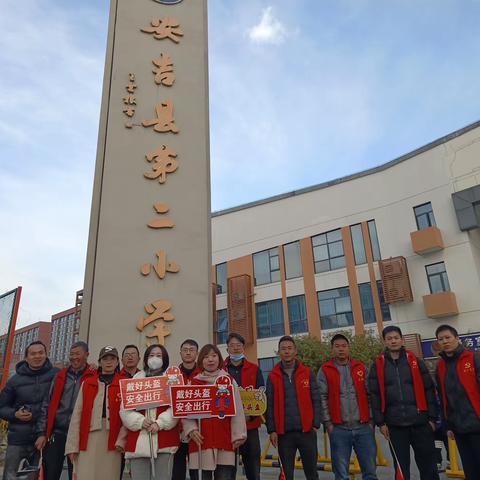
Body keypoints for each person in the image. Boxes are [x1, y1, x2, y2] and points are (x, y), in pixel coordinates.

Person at [369, 326, 438, 480]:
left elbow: (429, 390)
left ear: (402, 339)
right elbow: (374, 395)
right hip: (395, 425)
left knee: (428, 466)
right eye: (389, 338)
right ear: (384, 342)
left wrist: (432, 419)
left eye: (396, 337)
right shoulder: (378, 365)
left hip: (420, 422)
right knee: (401, 468)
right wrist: (381, 423)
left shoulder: (415, 361)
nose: (393, 341)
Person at [182, 343, 247, 480]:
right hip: (200, 440)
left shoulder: (228, 381)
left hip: (224, 439)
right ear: (201, 361)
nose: (210, 360)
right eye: (206, 357)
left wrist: (238, 435)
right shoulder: (193, 383)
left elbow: (238, 411)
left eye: (213, 356)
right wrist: (191, 430)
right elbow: (185, 411)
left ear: (219, 359)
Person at [318, 334, 377, 480]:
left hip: (363, 428)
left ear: (348, 348)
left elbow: (371, 395)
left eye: (344, 346)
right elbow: (322, 398)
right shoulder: (325, 370)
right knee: (341, 474)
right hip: (339, 429)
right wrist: (328, 423)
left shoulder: (361, 367)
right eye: (337, 347)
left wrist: (370, 421)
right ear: (332, 349)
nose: (341, 349)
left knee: (370, 472)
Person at [35, 341, 94, 480]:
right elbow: (46, 405)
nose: (74, 357)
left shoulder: (93, 377)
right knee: (50, 473)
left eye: (77, 354)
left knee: (77, 474)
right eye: (71, 354)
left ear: (87, 355)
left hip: (78, 436)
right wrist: (42, 433)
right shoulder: (60, 376)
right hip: (57, 433)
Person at [119, 344, 179, 480]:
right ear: (146, 358)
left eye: (159, 356)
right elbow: (125, 409)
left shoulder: (172, 378)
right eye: (151, 355)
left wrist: (160, 423)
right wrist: (140, 421)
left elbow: (176, 407)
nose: (155, 358)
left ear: (165, 359)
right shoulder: (136, 379)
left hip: (165, 441)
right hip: (138, 442)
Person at [0, 341, 58, 480]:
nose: (37, 356)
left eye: (40, 353)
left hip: (45, 438)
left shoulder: (57, 375)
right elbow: (1, 407)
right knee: (11, 475)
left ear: (46, 354)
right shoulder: (15, 380)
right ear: (26, 357)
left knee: (37, 476)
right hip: (18, 439)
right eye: (33, 354)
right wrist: (15, 414)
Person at [266, 335, 320, 480]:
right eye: (283, 349)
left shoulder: (307, 373)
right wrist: (271, 430)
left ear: (295, 350)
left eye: (290, 348)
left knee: (312, 473)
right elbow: (269, 405)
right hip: (284, 435)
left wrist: (315, 424)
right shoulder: (272, 376)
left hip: (306, 432)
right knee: (285, 474)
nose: (287, 351)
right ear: (278, 352)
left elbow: (316, 399)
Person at [65, 346, 123, 480]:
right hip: (89, 436)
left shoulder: (123, 384)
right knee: (86, 474)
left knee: (109, 475)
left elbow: (128, 415)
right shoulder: (88, 383)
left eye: (112, 359)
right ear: (99, 362)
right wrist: (72, 446)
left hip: (113, 438)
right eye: (105, 359)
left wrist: (123, 441)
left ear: (117, 362)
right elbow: (76, 416)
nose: (109, 362)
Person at [435, 324, 480, 479]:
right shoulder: (440, 367)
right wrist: (447, 425)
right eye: (441, 339)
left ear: (457, 338)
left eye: (448, 337)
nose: (445, 341)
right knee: (470, 469)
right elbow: (442, 398)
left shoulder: (473, 359)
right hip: (458, 427)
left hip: (477, 423)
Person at [224, 332, 264, 480]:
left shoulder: (254, 369)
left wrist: (250, 416)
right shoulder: (220, 370)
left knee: (253, 467)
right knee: (229, 468)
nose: (235, 349)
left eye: (238, 346)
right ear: (227, 349)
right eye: (232, 346)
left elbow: (261, 396)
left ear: (243, 348)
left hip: (250, 425)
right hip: (227, 426)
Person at [171, 339, 200, 480]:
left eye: (192, 350)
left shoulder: (204, 374)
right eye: (185, 350)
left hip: (198, 431)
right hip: (176, 431)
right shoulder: (171, 375)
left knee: (197, 472)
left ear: (197, 353)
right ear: (180, 352)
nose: (188, 353)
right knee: (177, 472)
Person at [118, 344, 141, 479]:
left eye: (133, 354)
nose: (130, 357)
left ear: (139, 358)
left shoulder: (144, 379)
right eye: (127, 354)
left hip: (137, 430)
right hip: (117, 431)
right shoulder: (115, 378)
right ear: (121, 360)